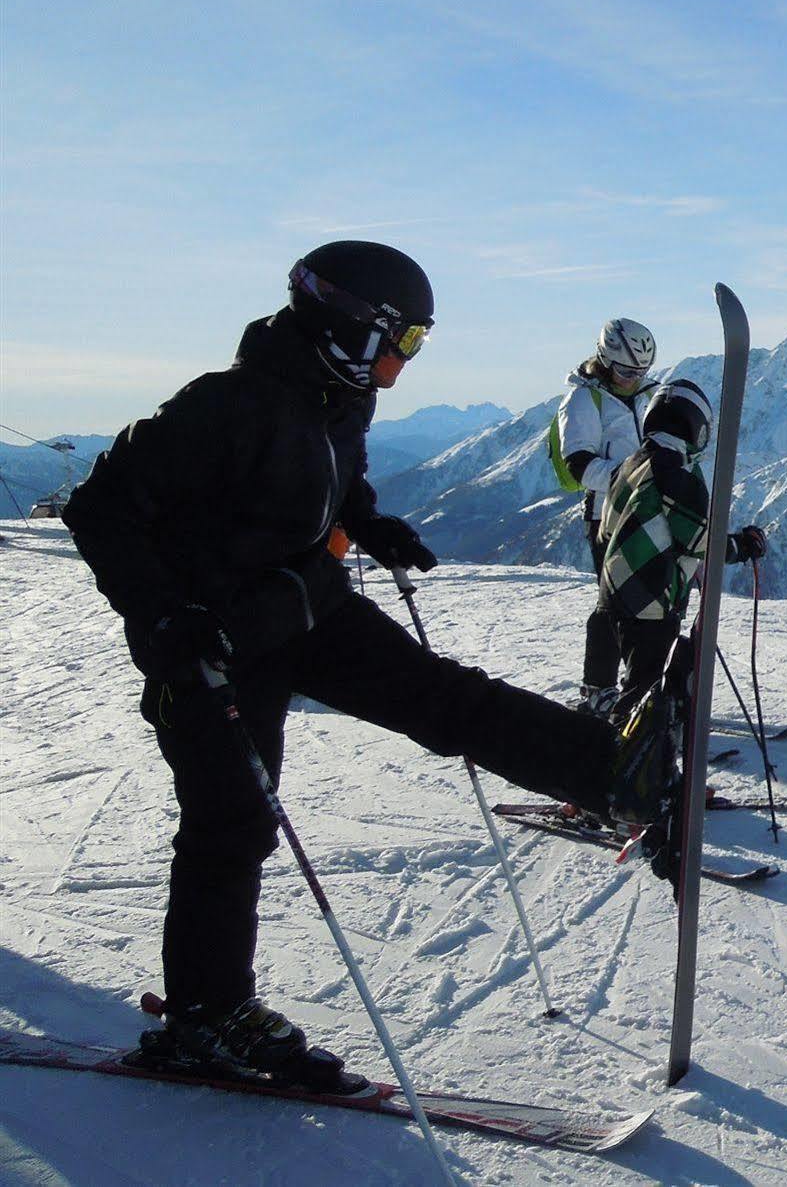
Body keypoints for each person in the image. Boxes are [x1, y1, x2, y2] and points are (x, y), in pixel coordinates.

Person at [61, 241, 677, 1087]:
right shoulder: (225, 406)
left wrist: (369, 521)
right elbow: (100, 506)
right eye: (402, 341)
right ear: (346, 325)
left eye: (414, 344)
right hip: (212, 645)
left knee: (442, 696)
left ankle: (614, 773)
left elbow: (329, 479)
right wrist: (168, 616)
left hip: (306, 606)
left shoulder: (337, 395)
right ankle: (206, 1017)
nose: (401, 363)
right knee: (231, 822)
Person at [594, 379, 767, 794]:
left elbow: (604, 531)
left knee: (653, 684)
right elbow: (700, 540)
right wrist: (742, 545)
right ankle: (617, 785)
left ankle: (653, 775)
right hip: (652, 602)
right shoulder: (676, 475)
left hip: (617, 598)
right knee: (645, 692)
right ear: (694, 429)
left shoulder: (631, 463)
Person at [552, 318, 661, 718]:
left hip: (647, 512)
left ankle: (640, 687)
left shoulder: (648, 395)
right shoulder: (583, 401)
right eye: (626, 371)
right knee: (614, 604)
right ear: (605, 359)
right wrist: (629, 477)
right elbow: (579, 464)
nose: (634, 379)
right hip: (607, 516)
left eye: (641, 372)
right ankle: (599, 690)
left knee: (645, 604)